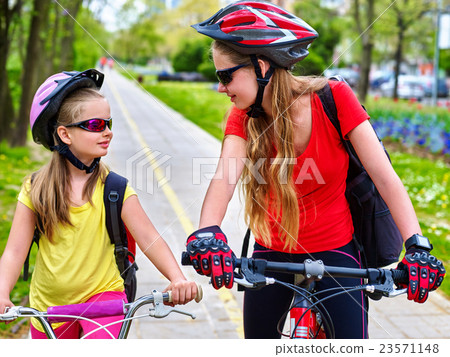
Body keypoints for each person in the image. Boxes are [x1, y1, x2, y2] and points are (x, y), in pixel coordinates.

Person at [184, 1, 445, 339]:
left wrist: (417, 246)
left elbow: (385, 177)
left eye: (226, 76)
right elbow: (225, 177)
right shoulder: (243, 116)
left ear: (261, 66)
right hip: (270, 253)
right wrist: (208, 233)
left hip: (335, 250)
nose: (221, 87)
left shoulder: (333, 98)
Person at [0, 69, 197, 339]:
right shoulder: (36, 190)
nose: (107, 132)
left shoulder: (115, 189)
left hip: (104, 302)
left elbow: (150, 238)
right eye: (95, 125)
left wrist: (177, 278)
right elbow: (14, 253)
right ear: (65, 134)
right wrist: (2, 293)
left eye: (109, 123)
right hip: (49, 306)